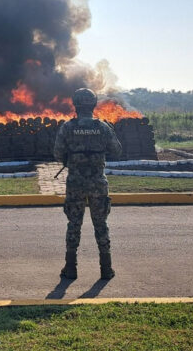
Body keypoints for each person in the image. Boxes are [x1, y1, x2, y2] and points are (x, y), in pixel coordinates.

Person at [54, 88, 122, 280]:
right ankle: (106, 268)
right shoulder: (102, 127)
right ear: (93, 105)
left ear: (75, 105)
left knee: (74, 224)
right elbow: (116, 151)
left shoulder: (68, 127)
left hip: (75, 183)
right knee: (101, 224)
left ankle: (70, 267)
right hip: (98, 184)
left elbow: (58, 153)